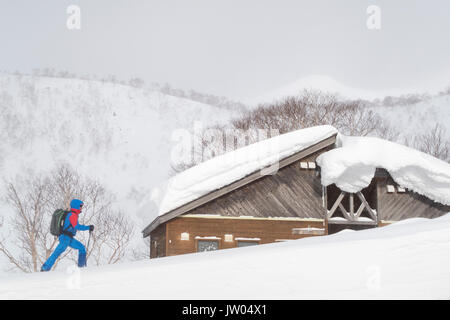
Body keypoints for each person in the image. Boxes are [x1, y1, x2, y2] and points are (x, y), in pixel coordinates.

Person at [41, 199, 94, 272]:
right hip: (65, 238)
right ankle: (45, 268)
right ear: (76, 206)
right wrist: (88, 227)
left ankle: (82, 268)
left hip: (69, 238)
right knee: (57, 252)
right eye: (80, 206)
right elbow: (76, 226)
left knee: (82, 248)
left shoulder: (73, 214)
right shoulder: (72, 215)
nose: (81, 208)